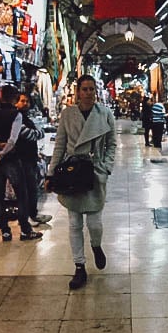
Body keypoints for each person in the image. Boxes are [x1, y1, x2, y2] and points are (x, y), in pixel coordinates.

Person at [45, 75, 116, 290]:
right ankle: (79, 266)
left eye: (91, 89)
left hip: (94, 173)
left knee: (94, 223)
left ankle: (96, 245)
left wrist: (106, 166)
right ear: (77, 92)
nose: (88, 93)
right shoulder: (68, 114)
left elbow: (112, 143)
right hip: (72, 173)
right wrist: (50, 173)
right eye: (84, 89)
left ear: (96, 91)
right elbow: (60, 145)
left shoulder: (104, 114)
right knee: (75, 224)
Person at [0, 84, 44, 242]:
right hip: (11, 159)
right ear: (14, 97)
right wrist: (3, 152)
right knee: (22, 195)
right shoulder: (15, 114)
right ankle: (25, 230)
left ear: (0, 95)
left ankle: (5, 231)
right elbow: (13, 140)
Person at [15, 92, 51, 226]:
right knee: (26, 189)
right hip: (22, 159)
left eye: (27, 101)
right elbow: (30, 134)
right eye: (22, 101)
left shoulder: (26, 118)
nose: (25, 104)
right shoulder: (17, 118)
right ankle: (27, 217)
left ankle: (33, 213)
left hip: (30, 158)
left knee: (32, 187)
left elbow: (39, 132)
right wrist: (37, 133)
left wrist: (37, 132)